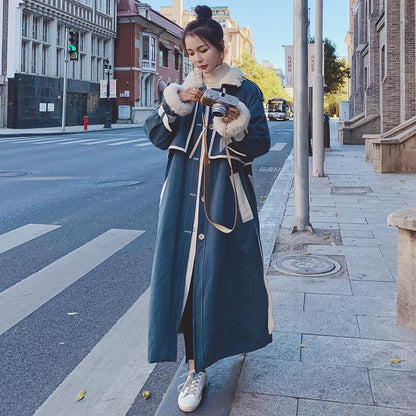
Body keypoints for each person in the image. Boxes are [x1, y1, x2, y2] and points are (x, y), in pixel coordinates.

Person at [144, 5, 273, 413]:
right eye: (190, 52)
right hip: (182, 198)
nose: (197, 59)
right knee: (182, 280)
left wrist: (234, 124)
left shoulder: (245, 89)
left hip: (225, 197)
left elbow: (260, 144)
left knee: (221, 277)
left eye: (203, 50)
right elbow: (156, 136)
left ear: (221, 48)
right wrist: (175, 104)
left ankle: (221, 349)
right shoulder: (181, 90)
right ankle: (195, 368)